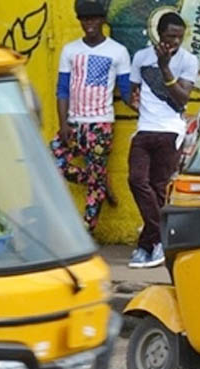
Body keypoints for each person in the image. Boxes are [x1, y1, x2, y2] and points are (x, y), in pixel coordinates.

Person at [50, 0, 132, 233]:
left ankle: (87, 230)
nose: (90, 24)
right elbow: (63, 89)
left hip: (101, 123)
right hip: (75, 122)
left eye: (94, 19)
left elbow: (125, 90)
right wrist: (63, 123)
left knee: (94, 184)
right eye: (85, 20)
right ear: (79, 21)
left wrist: (144, 104)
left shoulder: (118, 51)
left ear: (103, 20)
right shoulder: (70, 50)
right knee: (54, 161)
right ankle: (98, 181)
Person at [127, 12, 198, 268]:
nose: (175, 42)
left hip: (170, 131)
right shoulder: (140, 57)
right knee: (136, 180)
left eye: (179, 37)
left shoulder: (188, 60)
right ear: (159, 35)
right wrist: (139, 103)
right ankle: (161, 238)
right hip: (145, 129)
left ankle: (148, 245)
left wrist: (165, 66)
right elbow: (133, 90)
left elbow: (182, 99)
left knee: (158, 188)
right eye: (170, 37)